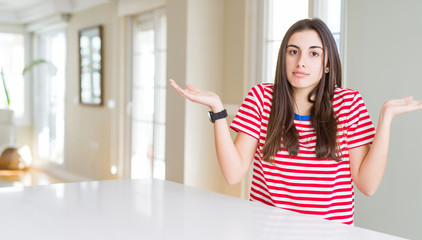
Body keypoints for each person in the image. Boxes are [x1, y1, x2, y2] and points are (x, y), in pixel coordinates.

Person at [169, 18, 422, 225]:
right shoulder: (261, 98)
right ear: (284, 57)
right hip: (266, 231)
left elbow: (367, 185)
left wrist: (385, 118)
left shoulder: (349, 104)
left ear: (326, 64)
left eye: (314, 53)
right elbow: (233, 174)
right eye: (293, 51)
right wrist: (217, 108)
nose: (301, 61)